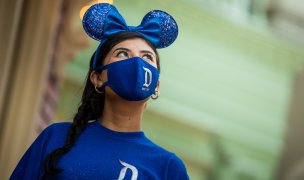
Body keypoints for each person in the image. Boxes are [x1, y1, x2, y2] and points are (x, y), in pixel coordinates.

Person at [10, 2, 189, 180]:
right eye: (122, 54)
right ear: (97, 78)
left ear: (156, 85)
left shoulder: (168, 168)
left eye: (147, 57)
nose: (136, 63)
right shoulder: (55, 137)